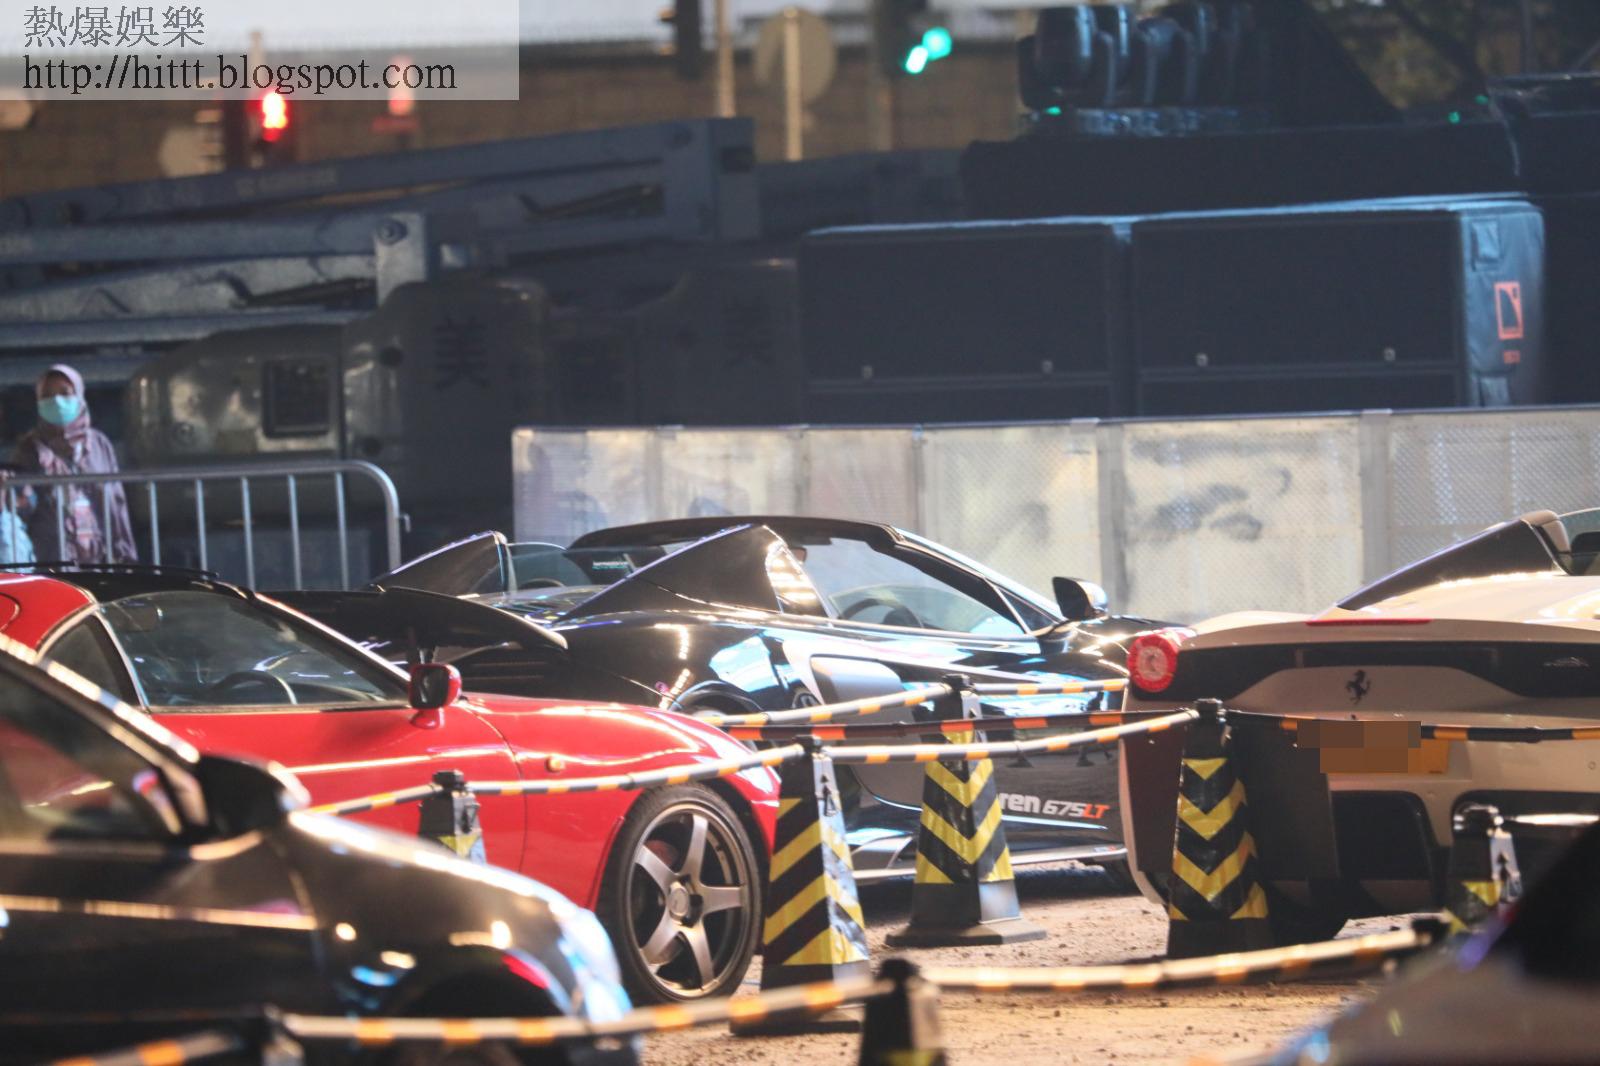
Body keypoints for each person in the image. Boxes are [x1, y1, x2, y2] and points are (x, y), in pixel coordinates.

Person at [13, 365, 137, 563]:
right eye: (47, 395)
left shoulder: (98, 444)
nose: (56, 401)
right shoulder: (29, 448)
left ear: (79, 395)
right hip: (50, 559)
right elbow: (20, 507)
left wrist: (123, 551)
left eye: (65, 393)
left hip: (99, 557)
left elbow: (115, 502)